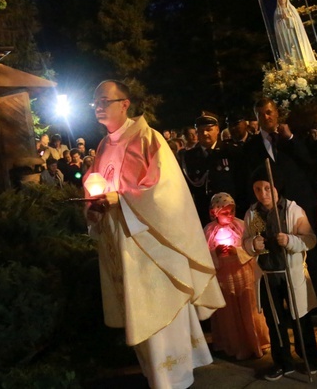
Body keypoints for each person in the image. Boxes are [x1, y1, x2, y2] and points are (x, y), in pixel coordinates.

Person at [84, 80, 224, 389]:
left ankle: (174, 380)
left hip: (152, 249)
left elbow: (164, 192)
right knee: (140, 326)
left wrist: (120, 200)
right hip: (121, 246)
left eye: (104, 100)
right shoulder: (104, 146)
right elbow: (96, 186)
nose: (97, 105)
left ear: (125, 103)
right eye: (94, 101)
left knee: (161, 324)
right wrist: (94, 209)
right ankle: (157, 378)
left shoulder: (149, 139)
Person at [242, 165, 317, 381]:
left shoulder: (292, 210)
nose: (263, 194)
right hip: (268, 276)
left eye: (268, 188)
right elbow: (245, 242)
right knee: (274, 320)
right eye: (258, 189)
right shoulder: (252, 214)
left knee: (299, 317)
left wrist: (291, 241)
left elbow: (310, 239)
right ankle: (282, 362)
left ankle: (308, 357)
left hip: (290, 273)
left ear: (277, 188)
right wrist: (253, 244)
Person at [244, 98, 317, 306]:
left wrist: (290, 140)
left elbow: (309, 164)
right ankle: (282, 302)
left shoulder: (292, 138)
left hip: (298, 203)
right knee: (276, 250)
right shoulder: (251, 147)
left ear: (277, 113)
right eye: (261, 114)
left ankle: (312, 300)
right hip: (269, 207)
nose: (266, 117)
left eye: (269, 112)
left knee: (306, 252)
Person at [203, 193, 270, 360]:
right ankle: (234, 344)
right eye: (225, 212)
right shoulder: (209, 230)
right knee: (228, 311)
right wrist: (215, 253)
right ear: (215, 212)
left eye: (232, 211)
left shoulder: (241, 225)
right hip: (223, 276)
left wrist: (237, 251)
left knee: (249, 307)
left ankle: (256, 341)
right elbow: (203, 254)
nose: (230, 215)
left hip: (243, 272)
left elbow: (252, 247)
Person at [180, 111, 245, 225]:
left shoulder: (231, 152)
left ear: (217, 130)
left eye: (209, 129)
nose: (205, 133)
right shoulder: (189, 157)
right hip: (202, 217)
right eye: (201, 130)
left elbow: (241, 184)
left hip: (230, 216)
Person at [273, 0, 316, 68]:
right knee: (289, 52)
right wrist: (281, 20)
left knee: (298, 49)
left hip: (294, 34)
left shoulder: (291, 9)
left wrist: (288, 18)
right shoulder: (277, 12)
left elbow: (297, 23)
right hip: (285, 35)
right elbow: (277, 27)